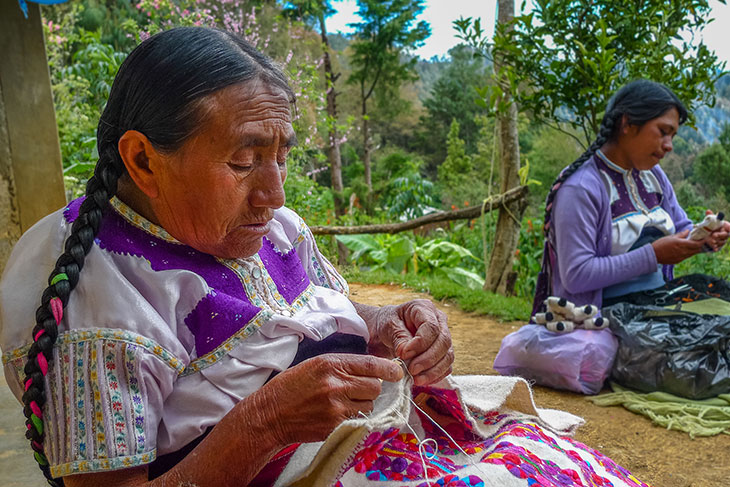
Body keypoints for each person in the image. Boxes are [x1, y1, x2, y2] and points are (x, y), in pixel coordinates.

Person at [1, 28, 650, 487]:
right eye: (243, 161)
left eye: (280, 154)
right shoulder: (97, 303)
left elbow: (307, 309)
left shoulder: (273, 227)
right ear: (144, 160)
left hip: (399, 442)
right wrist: (262, 423)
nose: (276, 194)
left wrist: (385, 319)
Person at [533, 79, 730, 315]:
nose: (669, 146)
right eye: (663, 132)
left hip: (654, 299)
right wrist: (653, 255)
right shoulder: (581, 189)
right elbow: (576, 275)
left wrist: (705, 237)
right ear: (628, 124)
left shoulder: (653, 175)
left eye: (673, 136)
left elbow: (682, 228)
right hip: (602, 315)